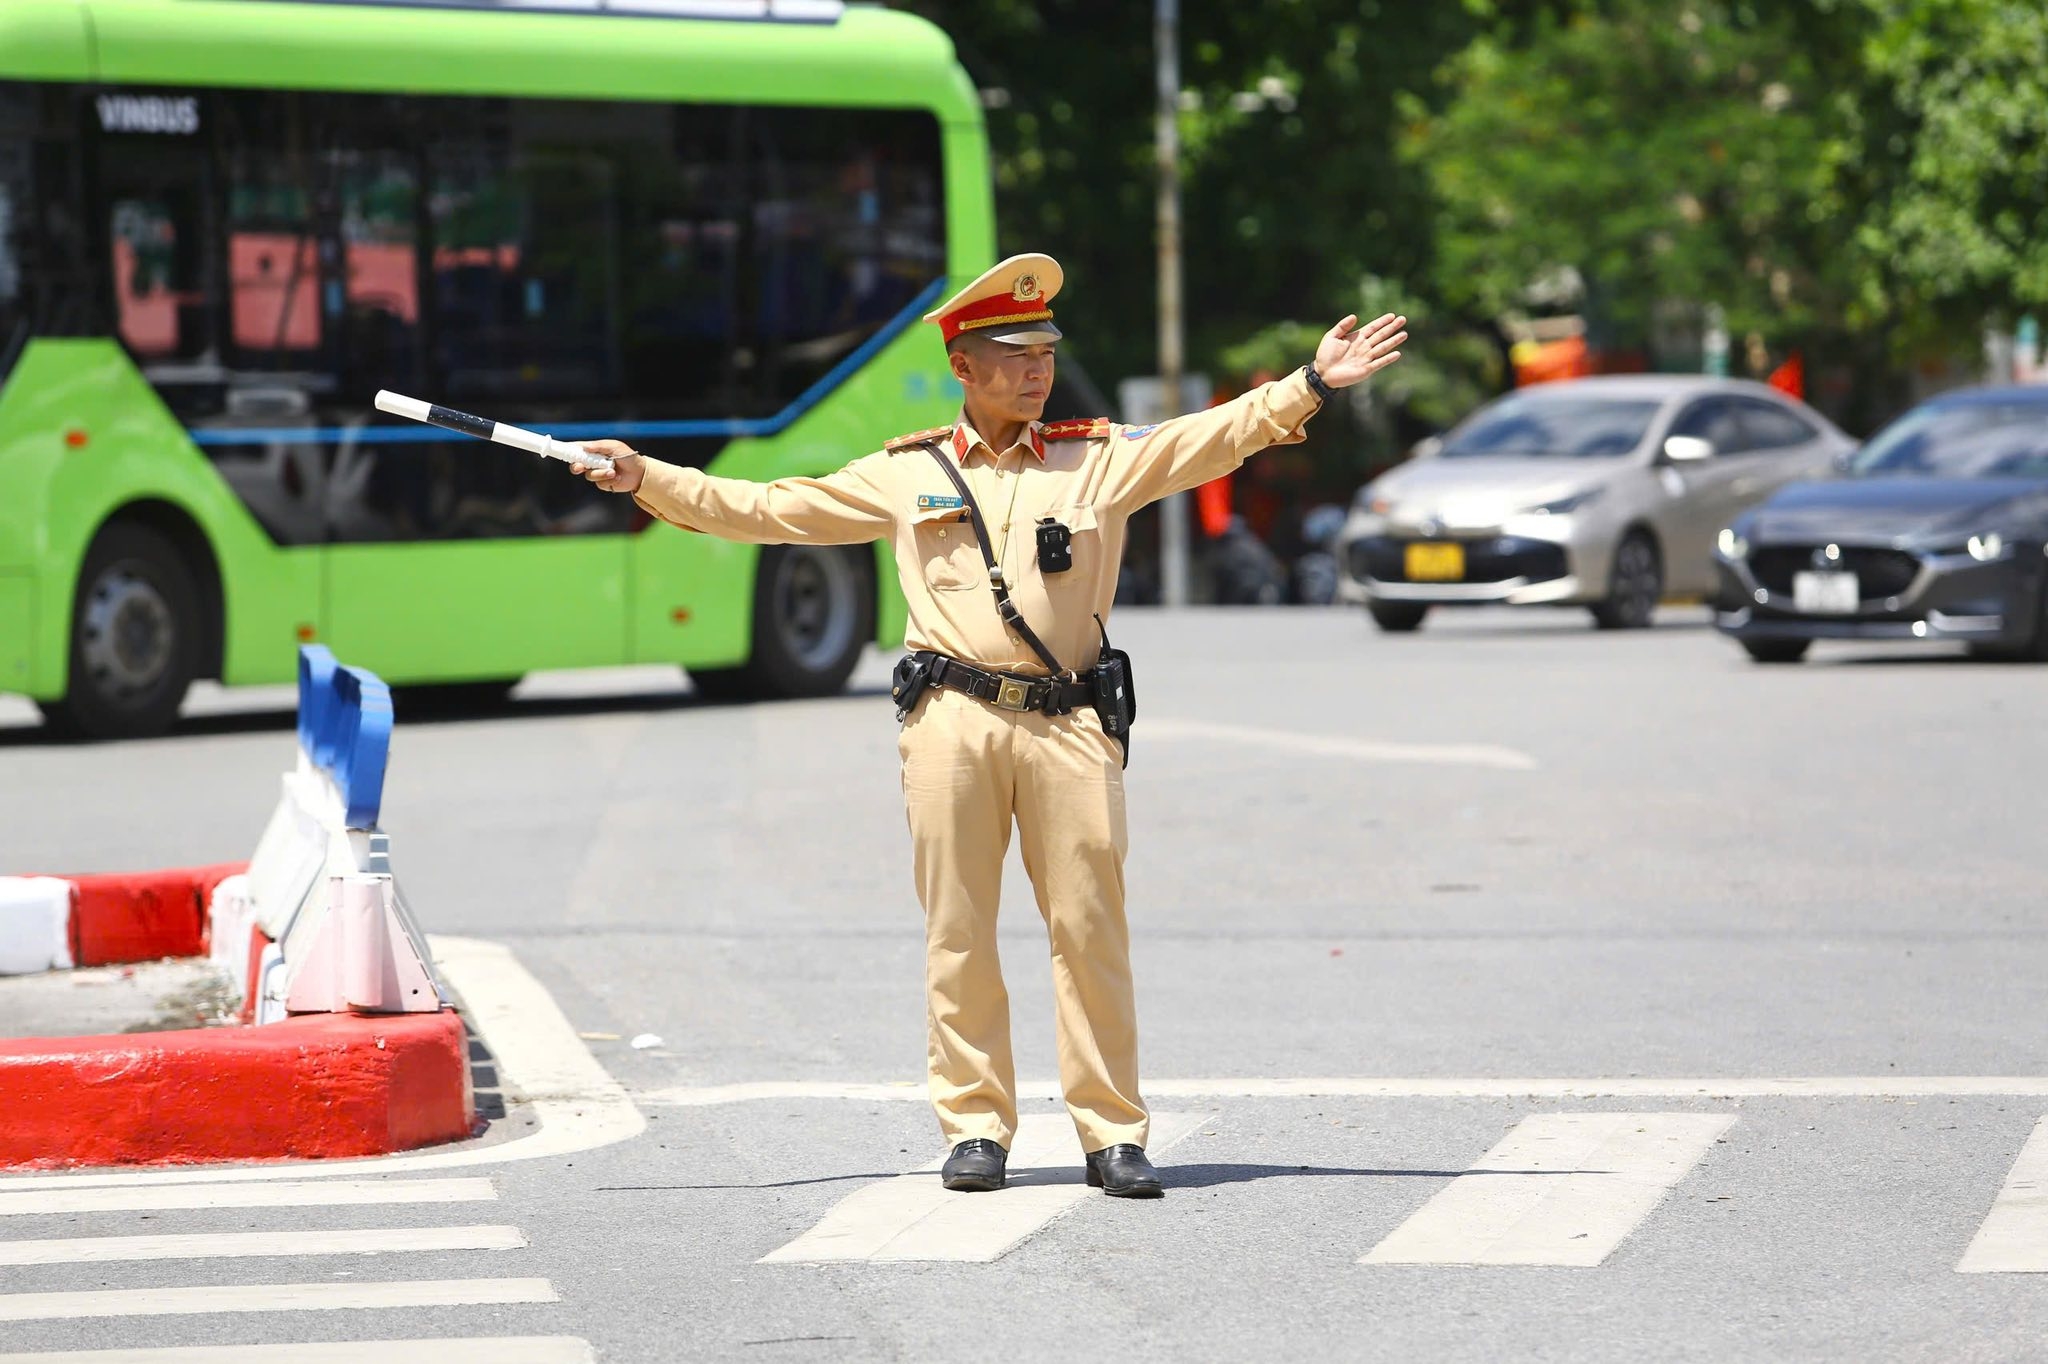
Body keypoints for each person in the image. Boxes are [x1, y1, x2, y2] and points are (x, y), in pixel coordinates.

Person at [574, 255, 1405, 1197]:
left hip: (1069, 720)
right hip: (953, 718)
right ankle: (975, 1126)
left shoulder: (1098, 457)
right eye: (1014, 355)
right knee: (958, 928)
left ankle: (1112, 1132)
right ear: (963, 367)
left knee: (1090, 927)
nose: (1037, 370)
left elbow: (1210, 438)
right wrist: (646, 477)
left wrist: (1309, 383)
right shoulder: (908, 473)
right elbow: (768, 511)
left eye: (1045, 352)